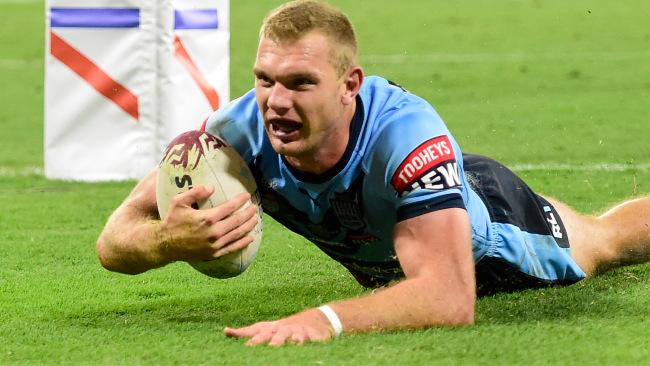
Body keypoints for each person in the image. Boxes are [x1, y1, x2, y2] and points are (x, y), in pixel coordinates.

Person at [96, 0, 650, 346]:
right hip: (412, 214)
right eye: (265, 79)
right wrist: (165, 241)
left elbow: (449, 299)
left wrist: (324, 320)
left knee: (604, 240)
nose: (275, 102)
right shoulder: (235, 132)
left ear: (349, 84)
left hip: (494, 229)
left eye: (300, 83)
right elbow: (113, 239)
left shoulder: (405, 138)